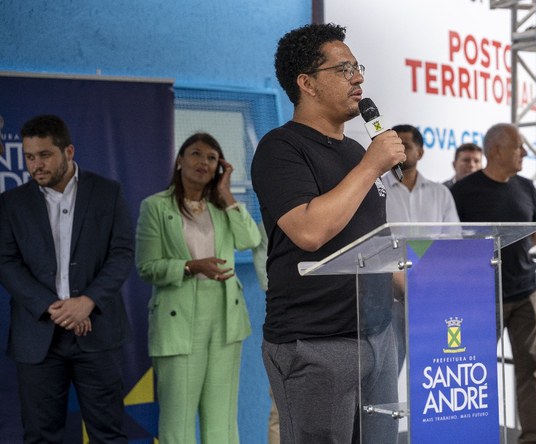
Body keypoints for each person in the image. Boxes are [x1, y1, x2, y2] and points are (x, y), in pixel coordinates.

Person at [251, 23, 406, 444]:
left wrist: (421, 286)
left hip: (377, 333)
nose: (358, 77)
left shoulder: (357, 153)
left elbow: (372, 243)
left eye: (357, 67)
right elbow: (309, 231)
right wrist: (371, 166)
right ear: (307, 84)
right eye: (343, 69)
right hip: (315, 342)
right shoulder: (281, 148)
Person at [0, 114, 133, 443]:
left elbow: (122, 253)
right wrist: (52, 307)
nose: (36, 166)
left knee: (108, 435)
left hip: (97, 333)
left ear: (68, 151)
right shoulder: (11, 204)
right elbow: (5, 261)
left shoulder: (107, 192)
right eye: (29, 157)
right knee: (41, 436)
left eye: (45, 155)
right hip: (37, 336)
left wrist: (86, 303)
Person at [135, 132, 261, 443]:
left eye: (211, 157)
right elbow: (146, 267)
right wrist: (191, 267)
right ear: (179, 160)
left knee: (222, 419)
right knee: (177, 421)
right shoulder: (155, 207)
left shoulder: (221, 208)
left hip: (224, 318)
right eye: (195, 154)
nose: (203, 162)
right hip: (178, 321)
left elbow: (250, 241)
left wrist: (228, 195)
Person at [450, 123, 536, 444]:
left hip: (526, 294)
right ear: (496, 151)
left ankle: (532, 438)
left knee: (530, 370)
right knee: (475, 373)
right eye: (519, 146)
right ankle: (474, 435)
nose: (525, 152)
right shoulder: (461, 192)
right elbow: (449, 243)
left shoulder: (527, 186)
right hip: (481, 300)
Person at [385, 124, 459, 370]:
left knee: (434, 372)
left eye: (405, 145)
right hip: (388, 299)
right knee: (388, 373)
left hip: (432, 298)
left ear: (421, 152)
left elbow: (452, 244)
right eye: (395, 144)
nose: (400, 150)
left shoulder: (440, 194)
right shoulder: (375, 191)